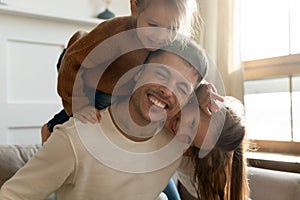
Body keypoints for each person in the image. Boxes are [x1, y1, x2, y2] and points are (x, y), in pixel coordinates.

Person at [0, 37, 208, 200]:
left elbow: (205, 190)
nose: (167, 90)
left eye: (181, 88)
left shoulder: (176, 141)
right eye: (160, 74)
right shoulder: (75, 139)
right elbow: (11, 196)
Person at [41, 0, 203, 140]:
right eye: (153, 25)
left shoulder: (168, 41)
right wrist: (80, 105)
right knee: (90, 115)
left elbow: (188, 71)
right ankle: (51, 128)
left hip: (119, 82)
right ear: (134, 8)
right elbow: (72, 62)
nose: (161, 36)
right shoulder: (115, 33)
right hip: (84, 73)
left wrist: (204, 90)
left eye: (172, 29)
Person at [164, 96, 250, 200]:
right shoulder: (196, 95)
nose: (180, 131)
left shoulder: (192, 160)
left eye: (189, 139)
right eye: (192, 123)